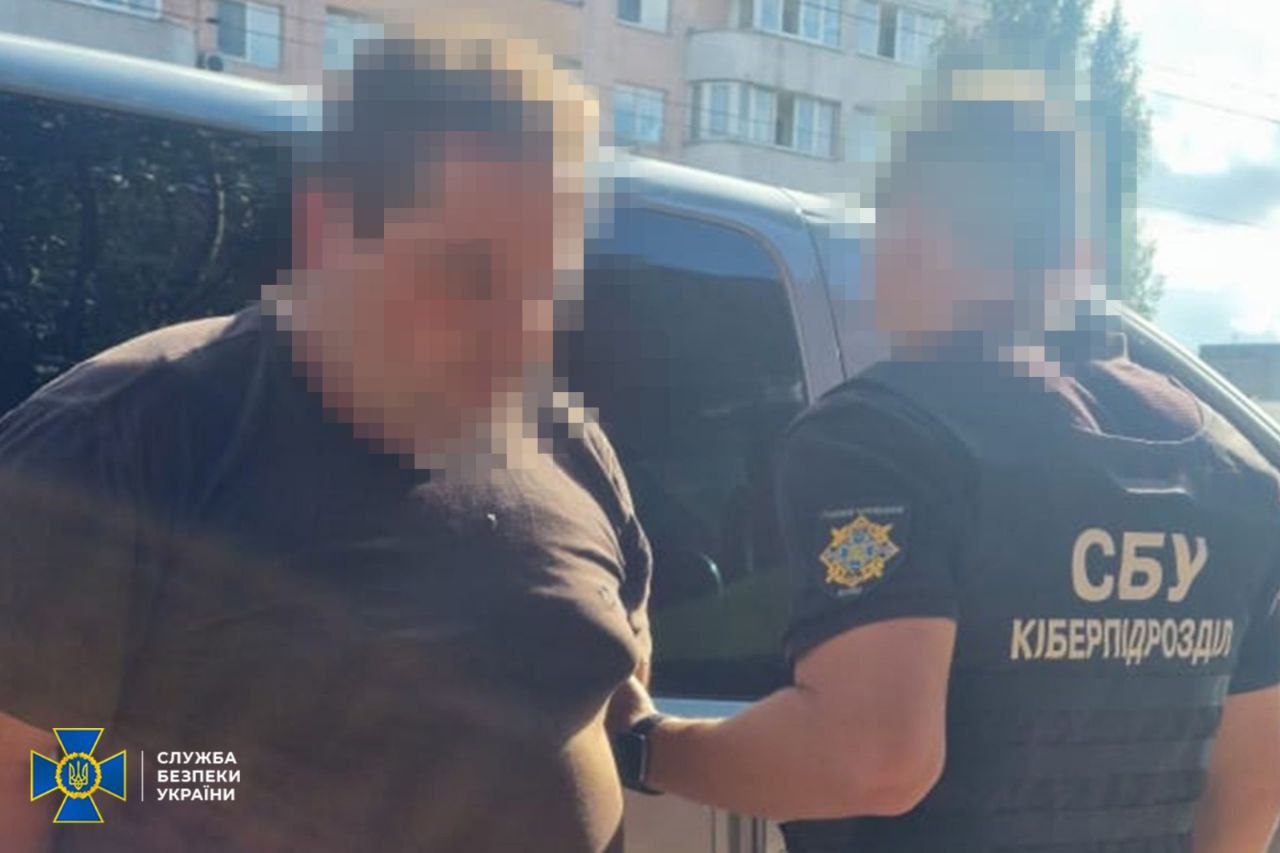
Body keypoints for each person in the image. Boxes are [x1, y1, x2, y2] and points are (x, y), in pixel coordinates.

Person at [0, 32, 650, 852]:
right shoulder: (115, 442)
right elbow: (30, 775)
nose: (519, 331)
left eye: (545, 282)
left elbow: (615, 693)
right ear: (326, 225)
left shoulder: (573, 448)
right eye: (469, 274)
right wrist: (225, 779)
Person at [607, 63, 1280, 852]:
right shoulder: (1241, 476)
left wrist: (647, 744)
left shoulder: (882, 436)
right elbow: (1246, 797)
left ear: (916, 232)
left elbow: (873, 759)